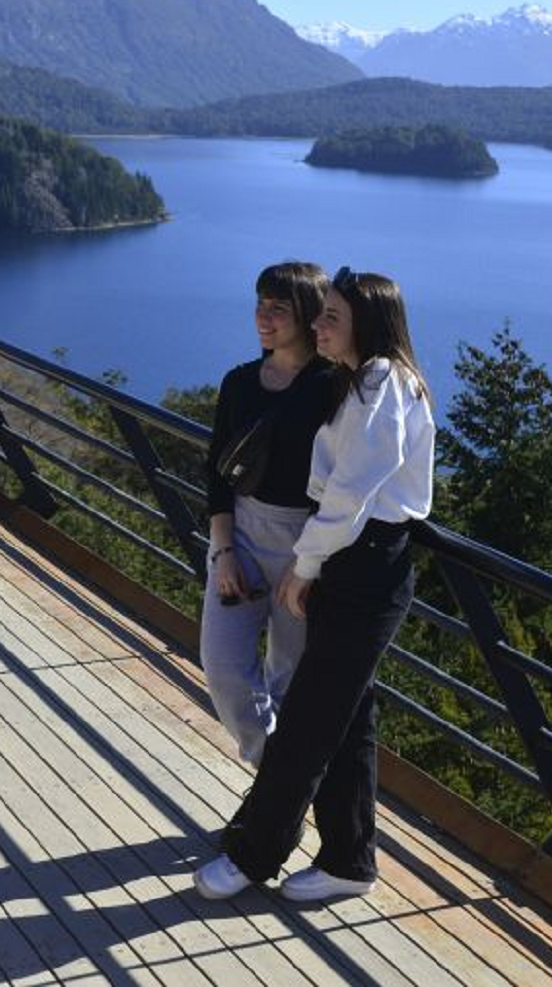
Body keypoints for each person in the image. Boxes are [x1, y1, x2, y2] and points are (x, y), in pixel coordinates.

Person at [194, 267, 435, 906]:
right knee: (347, 721)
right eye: (321, 313)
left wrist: (303, 565)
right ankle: (350, 860)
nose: (319, 324)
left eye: (331, 316)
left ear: (366, 324)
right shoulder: (365, 382)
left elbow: (353, 490)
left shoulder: (381, 383)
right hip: (356, 562)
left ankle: (254, 853)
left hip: (361, 564)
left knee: (306, 721)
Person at [200, 262, 334, 766]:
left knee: (290, 679)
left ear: (308, 314)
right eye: (260, 302)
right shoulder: (239, 383)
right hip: (244, 533)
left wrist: (313, 562)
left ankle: (275, 803)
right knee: (223, 664)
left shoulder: (333, 386)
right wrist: (224, 550)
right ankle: (273, 770)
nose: (264, 316)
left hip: (308, 543)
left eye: (279, 307)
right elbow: (217, 474)